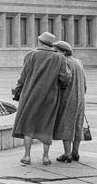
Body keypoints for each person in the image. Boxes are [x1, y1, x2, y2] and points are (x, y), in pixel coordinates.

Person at [11, 32, 71, 165]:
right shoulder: (59, 57)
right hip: (50, 96)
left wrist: (17, 90)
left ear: (40, 42)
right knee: (46, 124)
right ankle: (45, 157)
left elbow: (23, 76)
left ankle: (27, 156)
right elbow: (65, 77)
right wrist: (61, 85)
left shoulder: (31, 55)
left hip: (30, 95)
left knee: (28, 124)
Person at [53, 41, 87, 163]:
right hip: (80, 98)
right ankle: (75, 152)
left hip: (67, 97)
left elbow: (63, 80)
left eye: (56, 51)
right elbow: (84, 83)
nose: (55, 53)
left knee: (66, 125)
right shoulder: (78, 62)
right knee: (77, 124)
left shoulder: (64, 62)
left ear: (63, 52)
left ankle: (67, 154)